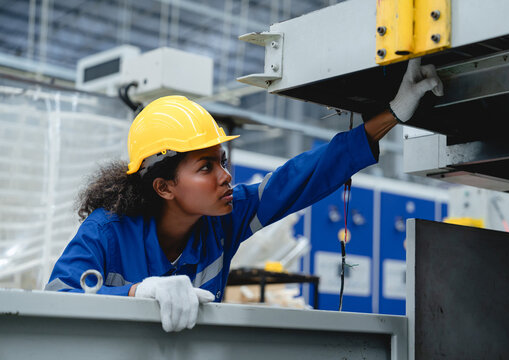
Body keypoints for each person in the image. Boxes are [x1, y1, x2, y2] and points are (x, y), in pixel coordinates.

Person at [45, 58, 442, 332]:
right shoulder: (106, 232)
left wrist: (395, 111)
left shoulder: (225, 220)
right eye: (206, 168)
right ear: (164, 187)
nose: (226, 177)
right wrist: (137, 292)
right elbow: (56, 299)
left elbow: (301, 176)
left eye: (222, 161)